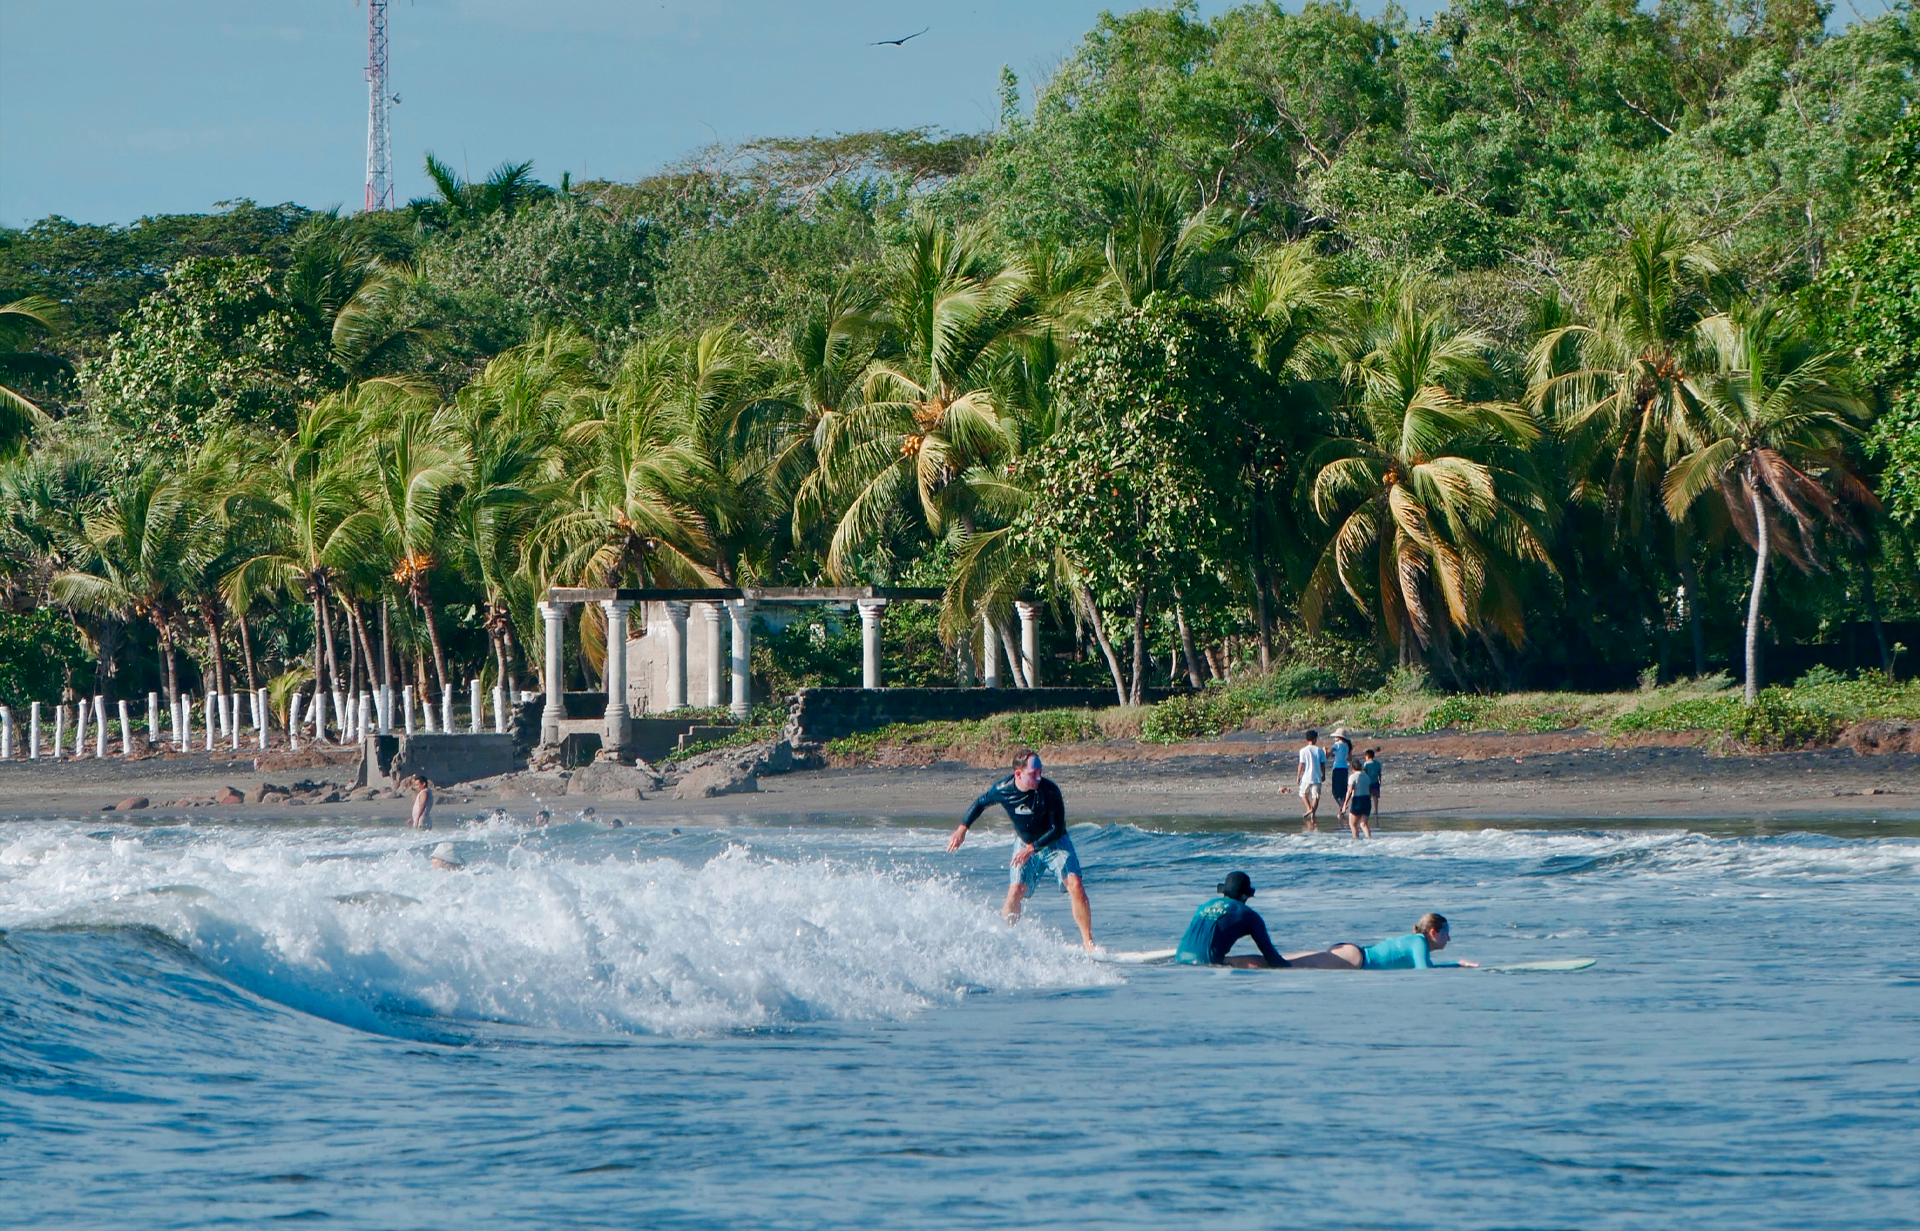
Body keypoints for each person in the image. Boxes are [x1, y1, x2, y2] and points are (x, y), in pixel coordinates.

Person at [948, 749, 1095, 951]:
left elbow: (1057, 829)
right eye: (1033, 773)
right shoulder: (1003, 789)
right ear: (1018, 774)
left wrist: (1031, 850)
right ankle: (1007, 940)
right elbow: (981, 802)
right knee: (1015, 891)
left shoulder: (1050, 790)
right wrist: (962, 829)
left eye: (1040, 772)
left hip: (1054, 843)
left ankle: (1088, 943)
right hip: (1025, 843)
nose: (1039, 777)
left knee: (1076, 885)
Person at [1175, 871, 1288, 968]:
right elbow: (1272, 958)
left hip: (1179, 958)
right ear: (1245, 896)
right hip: (1207, 964)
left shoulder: (1205, 906)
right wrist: (1288, 966)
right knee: (1258, 960)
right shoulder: (1249, 915)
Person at [1285, 913, 1479, 969]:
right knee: (1284, 965)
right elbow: (1425, 972)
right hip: (1357, 959)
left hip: (1353, 955)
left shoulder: (1418, 943)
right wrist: (1457, 965)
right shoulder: (1419, 942)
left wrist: (1457, 965)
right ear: (1434, 932)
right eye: (1446, 933)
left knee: (1282, 962)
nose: (1449, 939)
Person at [1295, 730, 1326, 831]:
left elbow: (1301, 764)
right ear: (1314, 739)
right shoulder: (1319, 750)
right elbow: (1322, 764)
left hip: (1307, 777)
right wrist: (1323, 774)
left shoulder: (1303, 750)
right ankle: (1312, 814)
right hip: (1316, 776)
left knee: (1303, 793)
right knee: (1316, 796)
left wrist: (1298, 776)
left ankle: (1309, 808)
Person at [1329, 728, 1353, 827]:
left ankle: (1342, 806)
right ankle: (1341, 810)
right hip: (1344, 768)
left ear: (1339, 737)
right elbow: (1349, 758)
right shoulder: (1347, 746)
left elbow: (1328, 754)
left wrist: (1325, 751)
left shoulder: (1337, 745)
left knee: (1335, 791)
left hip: (1337, 768)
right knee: (1343, 789)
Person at [1342, 763, 1373, 839]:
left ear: (1352, 768)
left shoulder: (1353, 777)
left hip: (1357, 800)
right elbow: (1370, 790)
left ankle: (1356, 840)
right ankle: (1369, 839)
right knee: (1363, 824)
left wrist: (1344, 804)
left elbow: (1349, 791)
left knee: (1353, 823)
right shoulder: (1367, 777)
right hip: (1367, 800)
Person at [1361, 748, 1383, 822]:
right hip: (1375, 781)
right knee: (1375, 796)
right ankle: (1376, 810)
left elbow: (1365, 772)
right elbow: (1379, 773)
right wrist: (1380, 780)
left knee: (1367, 796)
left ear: (1367, 756)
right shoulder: (1377, 763)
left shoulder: (1366, 764)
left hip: (1368, 782)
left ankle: (1366, 810)